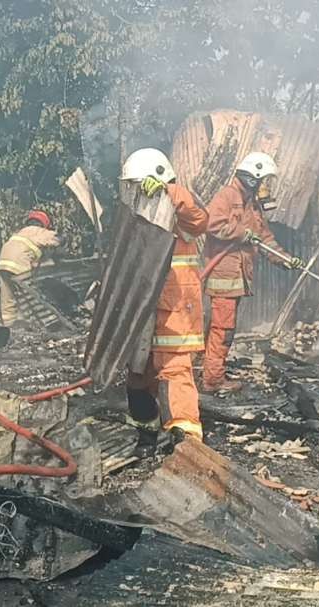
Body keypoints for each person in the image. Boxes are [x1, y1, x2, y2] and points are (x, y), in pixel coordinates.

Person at [119, 148, 210, 454]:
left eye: (138, 185)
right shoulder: (137, 219)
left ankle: (186, 445)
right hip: (144, 311)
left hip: (176, 309)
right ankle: (146, 434)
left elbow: (199, 220)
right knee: (137, 375)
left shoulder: (177, 211)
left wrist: (170, 191)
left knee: (174, 372)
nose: (135, 194)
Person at [202, 152, 305, 393]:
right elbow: (211, 223)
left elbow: (264, 238)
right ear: (252, 177)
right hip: (224, 274)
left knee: (226, 328)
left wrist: (286, 259)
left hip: (238, 276)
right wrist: (240, 233)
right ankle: (212, 381)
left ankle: (212, 372)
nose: (264, 186)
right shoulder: (228, 195)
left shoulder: (252, 204)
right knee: (223, 328)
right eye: (263, 180)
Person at [0, 209, 60, 324]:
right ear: (43, 224)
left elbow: (30, 254)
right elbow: (57, 239)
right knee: (30, 294)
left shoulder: (20, 232)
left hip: (3, 263)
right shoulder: (39, 231)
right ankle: (39, 323)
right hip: (18, 263)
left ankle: (9, 326)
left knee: (8, 297)